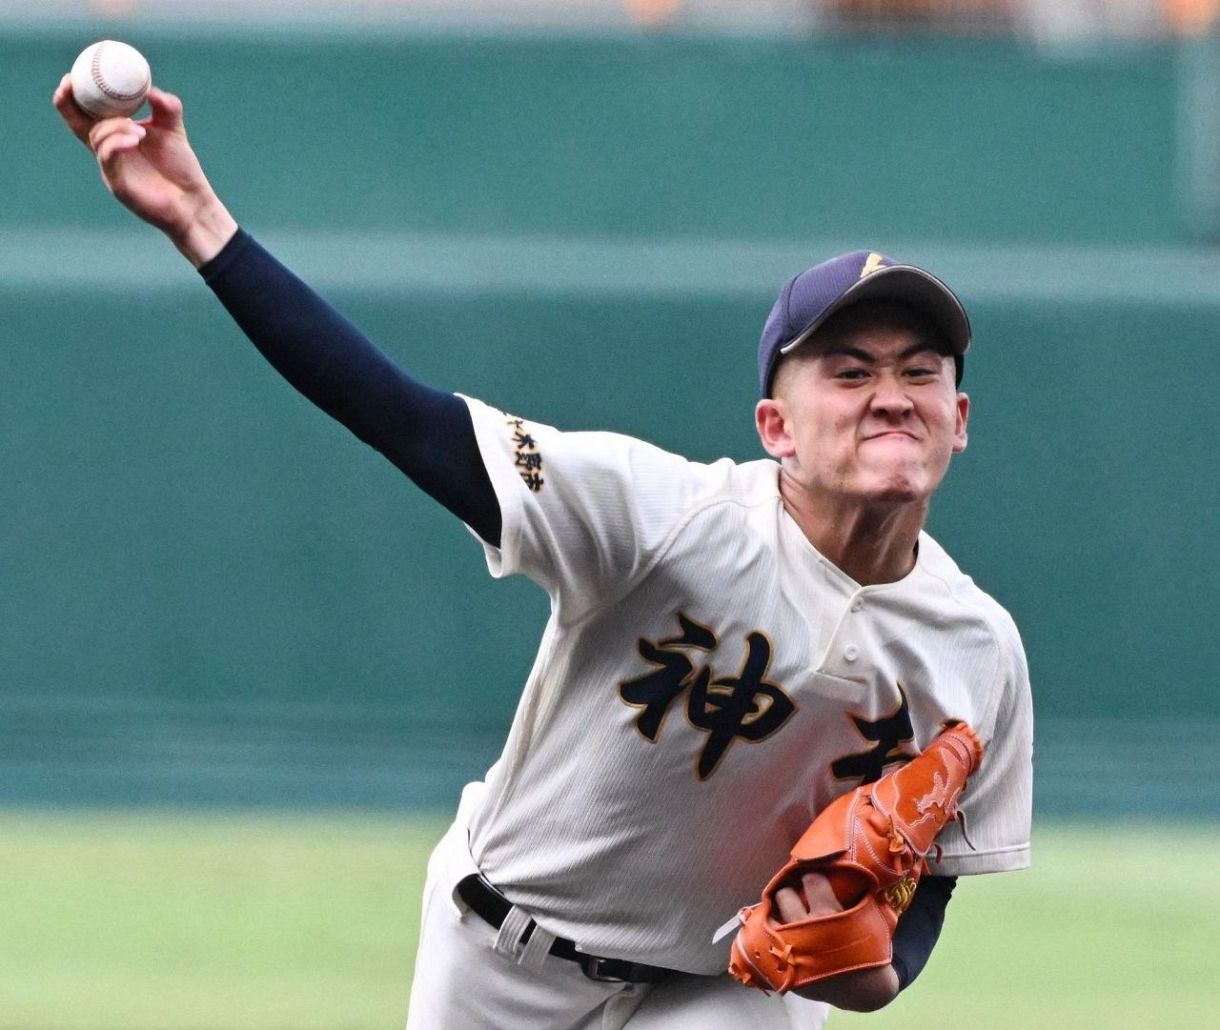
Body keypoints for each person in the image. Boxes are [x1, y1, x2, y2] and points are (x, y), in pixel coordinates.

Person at [53, 77, 1033, 1030]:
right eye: (849, 371)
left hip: (726, 984)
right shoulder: (666, 516)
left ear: (958, 419)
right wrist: (203, 227)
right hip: (505, 946)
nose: (889, 394)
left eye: (919, 372)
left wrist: (867, 970)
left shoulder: (975, 650)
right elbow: (408, 422)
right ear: (775, 425)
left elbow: (925, 898)